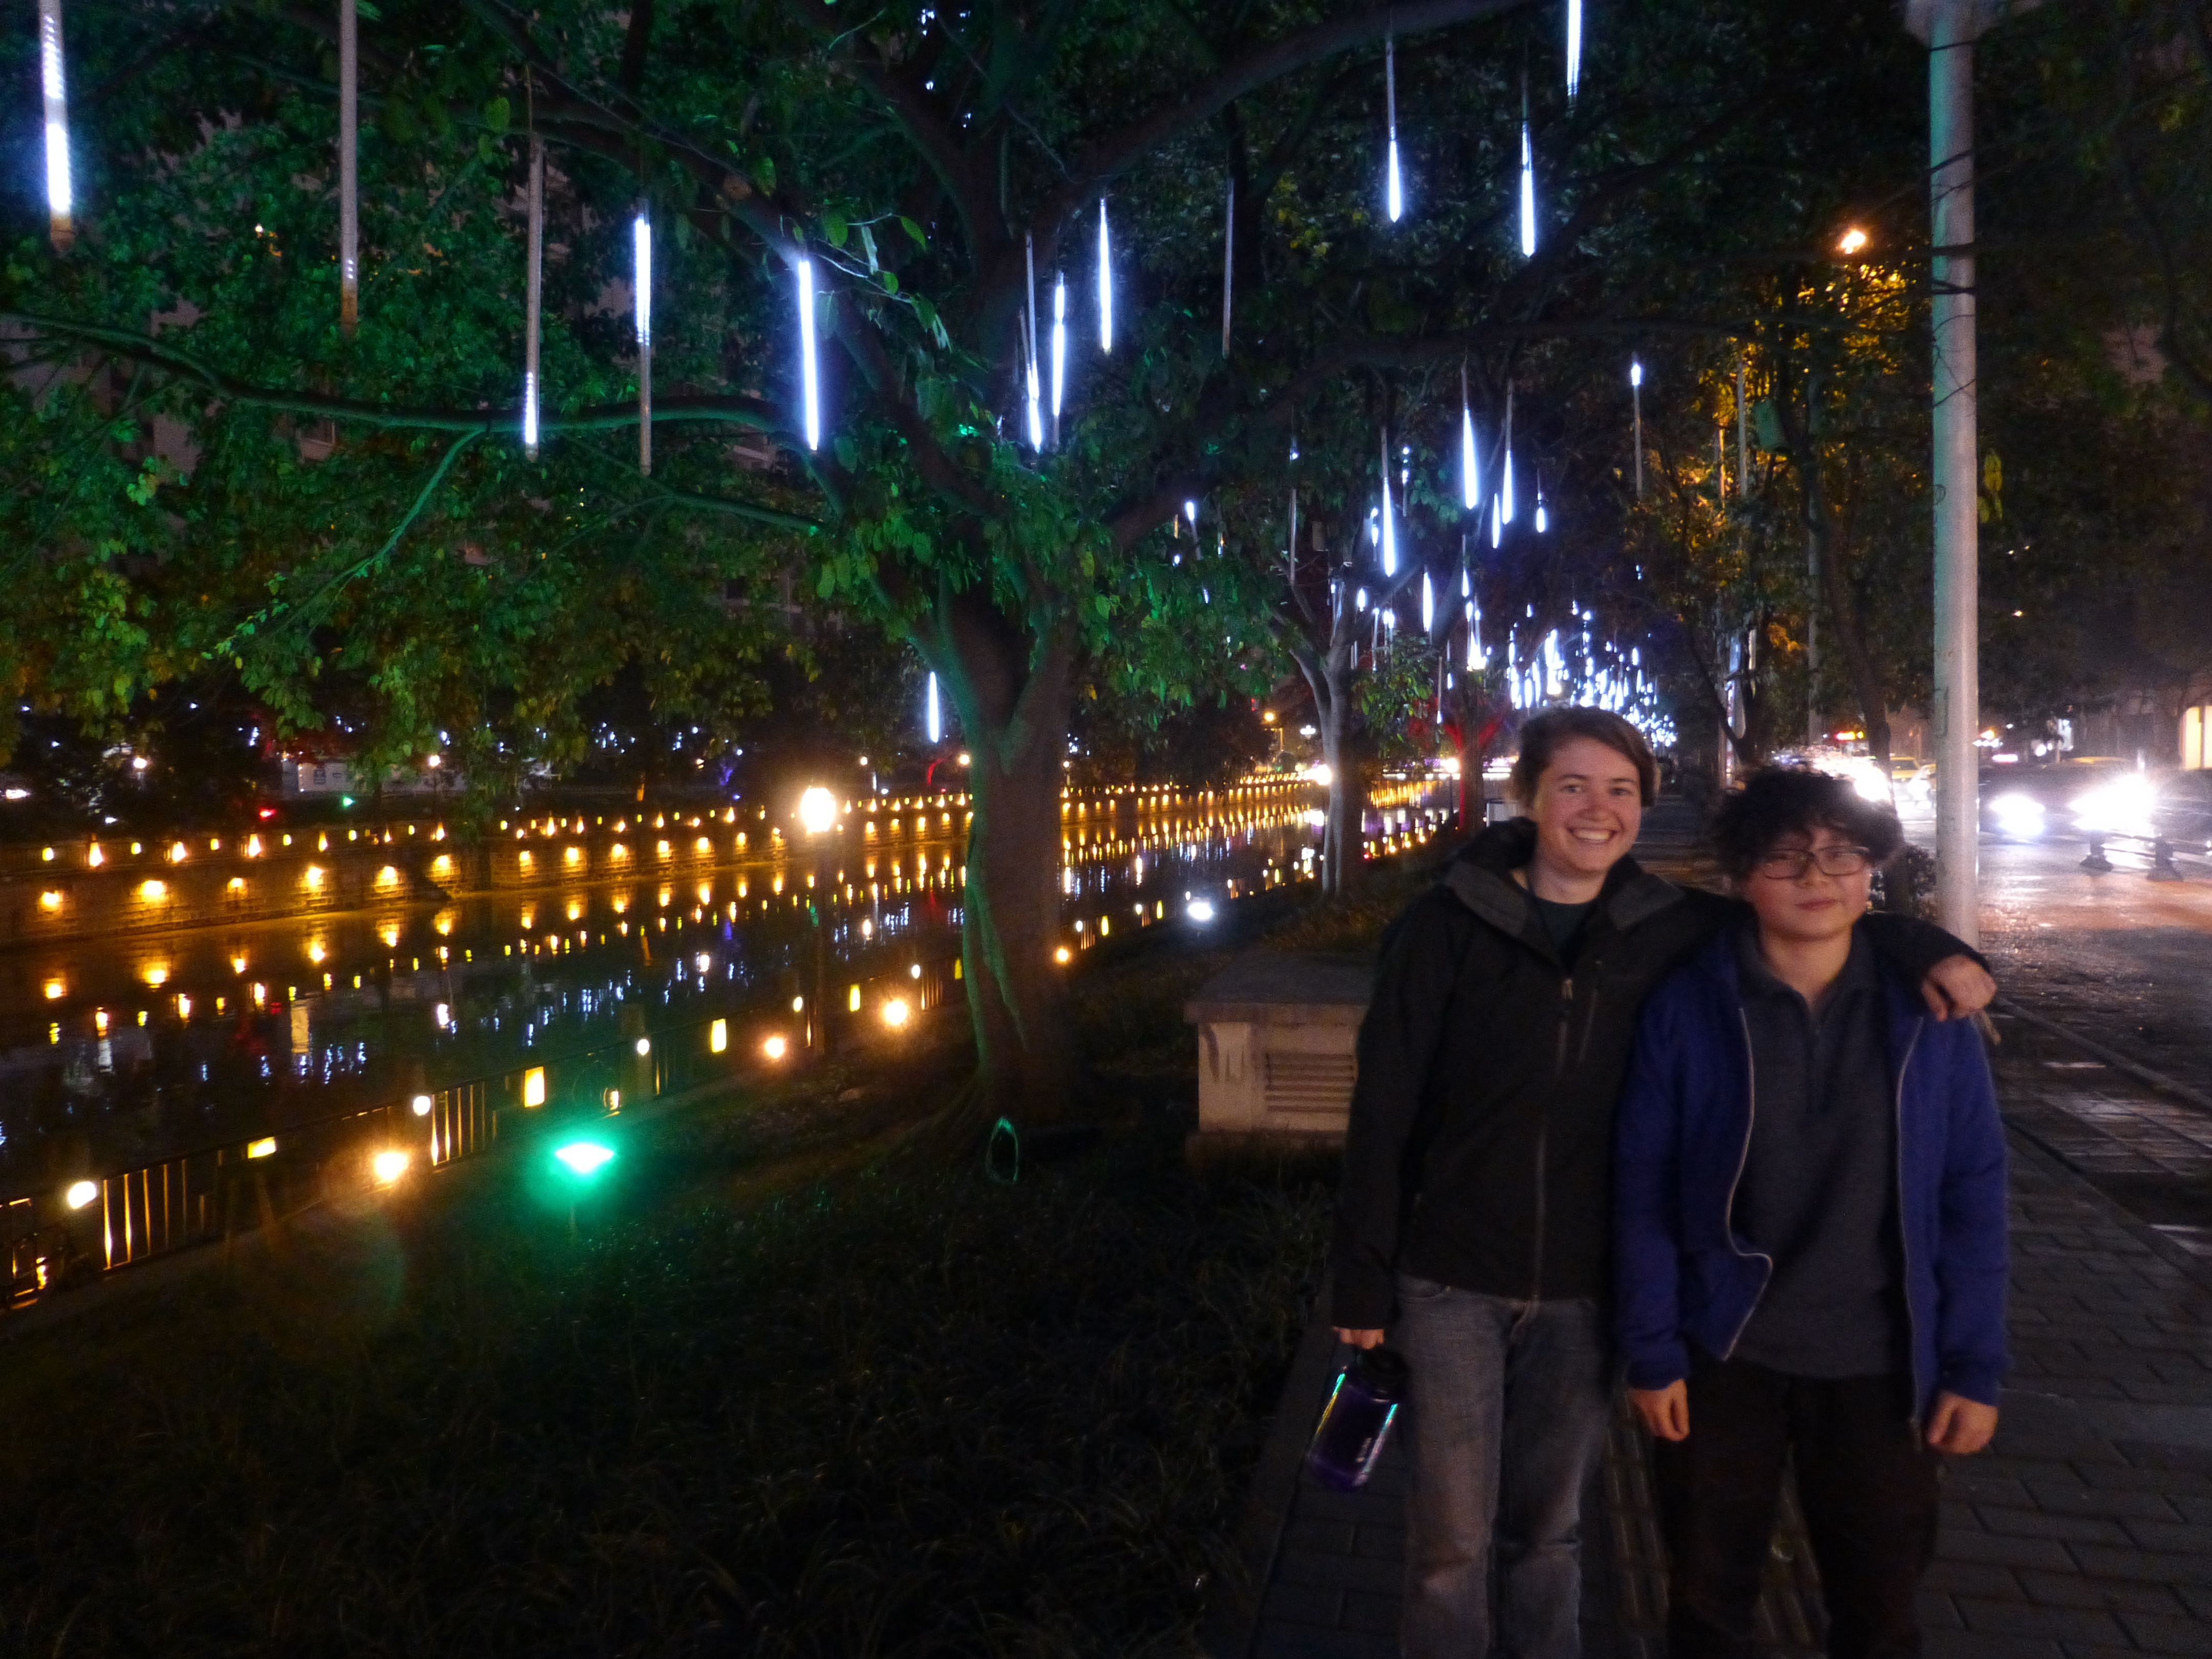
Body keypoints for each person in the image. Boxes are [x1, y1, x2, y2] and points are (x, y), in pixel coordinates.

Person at [1331, 709, 1993, 1659]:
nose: (1596, 809)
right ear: (1528, 797)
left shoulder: (1667, 924)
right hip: (1453, 1274)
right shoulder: (1447, 924)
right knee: (1450, 1543)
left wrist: (1925, 947)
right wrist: (1362, 1277)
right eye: (1572, 786)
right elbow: (1384, 1105)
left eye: (1620, 790)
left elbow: (1813, 908)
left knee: (1551, 1532)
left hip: (1585, 1283)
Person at [1613, 767, 2010, 1659]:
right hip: (1723, 1355)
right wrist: (1652, 1348)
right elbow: (1645, 1186)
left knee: (1880, 1614)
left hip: (1883, 1363)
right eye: (1785, 857)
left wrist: (1975, 1364)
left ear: (1871, 869)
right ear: (1740, 877)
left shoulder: (1930, 1014)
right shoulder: (1689, 1006)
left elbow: (1974, 1197)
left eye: (1840, 854)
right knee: (1706, 1606)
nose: (1815, 877)